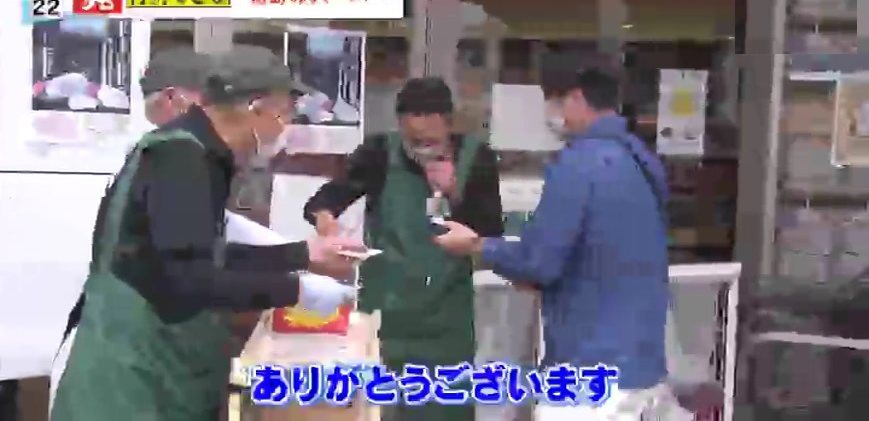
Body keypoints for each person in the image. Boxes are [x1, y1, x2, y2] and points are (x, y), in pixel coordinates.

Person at [49, 46, 361, 421]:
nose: (286, 127)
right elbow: (190, 278)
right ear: (256, 107)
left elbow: (204, 252)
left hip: (160, 367)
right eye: (285, 114)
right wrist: (298, 291)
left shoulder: (192, 152)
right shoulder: (180, 160)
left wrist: (303, 256)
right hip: (132, 382)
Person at [433, 66, 676, 419]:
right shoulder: (644, 161)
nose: (551, 115)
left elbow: (538, 261)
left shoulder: (579, 163)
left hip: (588, 377)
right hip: (644, 373)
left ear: (576, 97)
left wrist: (477, 246)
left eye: (553, 103)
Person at [303, 77, 504, 421]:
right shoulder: (379, 153)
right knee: (381, 409)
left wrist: (454, 193)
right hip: (386, 315)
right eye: (414, 141)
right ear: (400, 125)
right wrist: (327, 222)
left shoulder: (477, 158)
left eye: (431, 141)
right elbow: (325, 201)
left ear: (449, 124)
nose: (422, 148)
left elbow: (489, 233)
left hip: (446, 319)